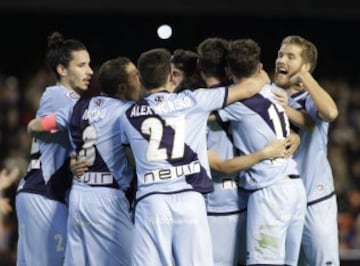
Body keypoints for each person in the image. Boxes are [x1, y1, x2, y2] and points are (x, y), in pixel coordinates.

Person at [118, 47, 269, 266]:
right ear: (171, 76)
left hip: (152, 201)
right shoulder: (195, 100)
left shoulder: (127, 115)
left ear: (140, 78)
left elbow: (128, 155)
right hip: (190, 199)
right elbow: (250, 88)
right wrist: (260, 73)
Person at [27, 56, 141, 265]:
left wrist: (69, 150)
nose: (140, 80)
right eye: (136, 76)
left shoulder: (76, 108)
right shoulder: (127, 112)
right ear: (123, 87)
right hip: (108, 199)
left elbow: (34, 127)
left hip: (79, 197)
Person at [214, 38, 307, 266]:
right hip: (294, 186)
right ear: (259, 67)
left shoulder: (236, 103)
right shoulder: (271, 90)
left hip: (270, 191)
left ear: (228, 71)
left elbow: (197, 113)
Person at [16, 32, 93, 266]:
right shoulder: (63, 96)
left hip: (42, 193)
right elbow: (53, 121)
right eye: (81, 65)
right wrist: (36, 125)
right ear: (62, 69)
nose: (90, 71)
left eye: (89, 64)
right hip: (43, 193)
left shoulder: (64, 97)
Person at [272, 35, 340, 266]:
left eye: (291, 56)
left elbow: (330, 113)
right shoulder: (265, 93)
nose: (282, 60)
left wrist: (305, 78)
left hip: (314, 199)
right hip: (277, 202)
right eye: (281, 54)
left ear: (306, 66)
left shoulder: (310, 99)